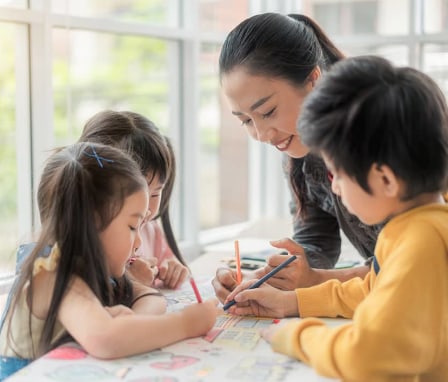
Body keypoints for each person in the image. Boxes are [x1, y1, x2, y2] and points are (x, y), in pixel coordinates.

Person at [225, 56, 448, 381]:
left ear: (385, 179)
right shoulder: (414, 228)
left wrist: (296, 337)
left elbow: (367, 356)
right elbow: (372, 290)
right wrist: (290, 303)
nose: (334, 187)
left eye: (338, 174)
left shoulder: (421, 242)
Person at [0, 142, 220, 379]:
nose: (138, 243)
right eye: (133, 226)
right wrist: (186, 323)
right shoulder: (52, 274)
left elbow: (147, 301)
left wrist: (127, 323)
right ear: (92, 224)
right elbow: (105, 338)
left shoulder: (88, 267)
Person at [213, 12, 383, 302]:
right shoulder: (299, 150)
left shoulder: (386, 134)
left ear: (313, 80)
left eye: (267, 112)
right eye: (245, 120)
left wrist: (315, 282)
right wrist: (272, 276)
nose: (262, 134)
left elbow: (414, 265)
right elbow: (315, 239)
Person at [78, 110, 189, 290]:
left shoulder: (151, 230)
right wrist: (129, 283)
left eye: (156, 194)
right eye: (143, 193)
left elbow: (167, 263)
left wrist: (172, 269)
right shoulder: (85, 240)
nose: (147, 210)